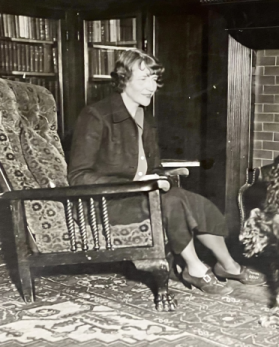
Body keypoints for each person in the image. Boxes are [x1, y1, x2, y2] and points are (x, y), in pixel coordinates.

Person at [68, 48, 264, 295]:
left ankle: (228, 265)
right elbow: (78, 175)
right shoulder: (95, 115)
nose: (152, 87)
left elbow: (155, 166)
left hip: (142, 196)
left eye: (154, 79)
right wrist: (136, 182)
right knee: (173, 202)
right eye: (143, 79)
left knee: (196, 202)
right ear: (122, 81)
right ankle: (194, 268)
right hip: (108, 203)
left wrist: (159, 177)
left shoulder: (144, 116)